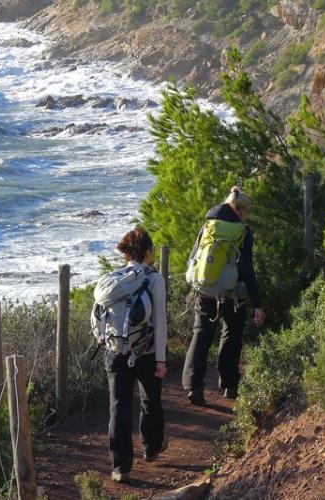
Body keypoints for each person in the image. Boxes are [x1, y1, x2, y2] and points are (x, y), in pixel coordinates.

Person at [92, 228, 168, 483]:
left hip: (115, 351)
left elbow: (98, 317)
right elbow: (160, 322)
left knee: (118, 407)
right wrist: (161, 359)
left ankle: (120, 467)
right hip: (145, 351)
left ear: (125, 253)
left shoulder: (110, 280)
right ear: (147, 252)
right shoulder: (154, 279)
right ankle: (151, 448)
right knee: (151, 399)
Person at [182, 186, 265, 405]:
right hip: (232, 291)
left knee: (201, 334)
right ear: (240, 210)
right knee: (232, 333)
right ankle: (229, 384)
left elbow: (194, 255)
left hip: (205, 288)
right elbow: (246, 268)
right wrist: (257, 303)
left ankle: (193, 386)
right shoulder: (242, 231)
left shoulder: (209, 223)